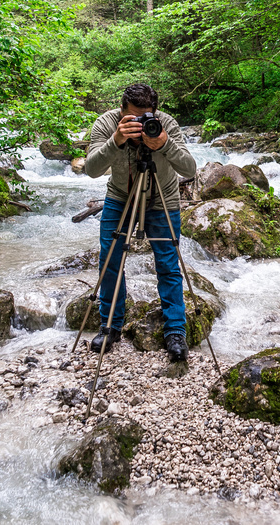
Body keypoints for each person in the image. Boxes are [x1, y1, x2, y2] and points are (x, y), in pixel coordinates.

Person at [83, 83, 197, 362]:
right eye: (133, 117)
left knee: (168, 264)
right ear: (121, 110)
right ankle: (110, 326)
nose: (139, 123)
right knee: (110, 260)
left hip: (163, 198)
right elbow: (91, 169)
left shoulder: (165, 124)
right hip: (121, 197)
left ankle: (175, 332)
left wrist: (165, 144)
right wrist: (116, 140)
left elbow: (190, 169)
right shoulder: (106, 123)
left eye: (145, 117)